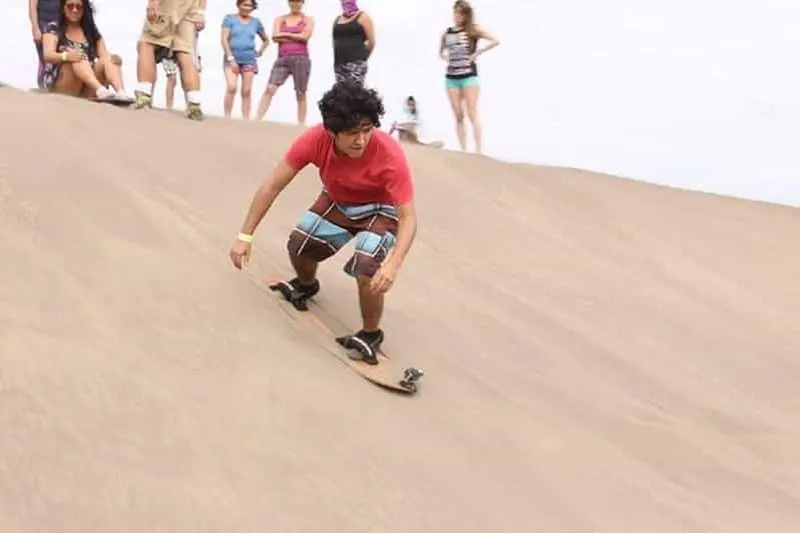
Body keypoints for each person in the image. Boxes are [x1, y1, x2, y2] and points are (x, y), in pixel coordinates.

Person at [229, 81, 418, 364]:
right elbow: (272, 185)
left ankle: (370, 333)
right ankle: (307, 285)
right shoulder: (315, 140)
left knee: (368, 267)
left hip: (380, 210)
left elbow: (409, 218)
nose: (361, 140)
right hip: (338, 200)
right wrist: (245, 237)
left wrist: (393, 264)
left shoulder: (389, 154)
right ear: (331, 132)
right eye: (352, 133)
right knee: (298, 244)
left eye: (367, 130)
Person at [439, 0, 499, 154]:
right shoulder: (448, 32)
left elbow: (495, 40)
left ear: (466, 16)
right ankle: (463, 150)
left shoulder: (472, 30)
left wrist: (478, 52)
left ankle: (478, 150)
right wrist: (446, 57)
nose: (457, 16)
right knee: (458, 114)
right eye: (456, 12)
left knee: (472, 112)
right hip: (452, 76)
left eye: (461, 14)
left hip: (469, 76)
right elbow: (441, 52)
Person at [39, 0, 127, 100]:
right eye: (70, 6)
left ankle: (120, 92)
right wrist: (66, 56)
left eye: (79, 7)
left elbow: (104, 56)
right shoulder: (54, 28)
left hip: (87, 86)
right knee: (78, 57)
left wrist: (115, 59)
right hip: (64, 84)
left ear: (84, 9)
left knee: (108, 59)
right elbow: (48, 55)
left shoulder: (90, 31)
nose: (75, 10)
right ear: (63, 8)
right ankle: (100, 89)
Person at [133, 0, 205, 120]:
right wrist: (200, 12)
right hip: (190, 8)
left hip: (167, 6)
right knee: (184, 52)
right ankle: (194, 104)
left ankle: (143, 97)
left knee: (147, 44)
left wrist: (153, 2)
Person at [255, 0, 314, 124]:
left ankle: (301, 124)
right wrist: (295, 34)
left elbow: (305, 37)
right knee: (270, 88)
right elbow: (275, 36)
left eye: (298, 2)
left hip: (301, 59)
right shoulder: (280, 19)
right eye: (293, 2)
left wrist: (285, 35)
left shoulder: (307, 20)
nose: (296, 4)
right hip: (282, 59)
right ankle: (257, 119)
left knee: (300, 92)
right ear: (289, 3)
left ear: (302, 3)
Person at [221, 0, 269, 119]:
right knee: (232, 87)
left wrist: (260, 51)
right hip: (232, 58)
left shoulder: (256, 22)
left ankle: (246, 119)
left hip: (249, 59)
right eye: (244, 5)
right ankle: (227, 116)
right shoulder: (229, 19)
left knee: (246, 91)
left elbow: (266, 40)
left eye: (250, 6)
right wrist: (231, 58)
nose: (247, 8)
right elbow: (224, 39)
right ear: (239, 5)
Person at [332, 0, 374, 86]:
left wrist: (362, 57)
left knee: (355, 92)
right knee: (341, 94)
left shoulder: (363, 17)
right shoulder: (337, 19)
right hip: (339, 64)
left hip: (356, 63)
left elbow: (371, 42)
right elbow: (334, 41)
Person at [29, 0, 60, 88]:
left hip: (59, 25)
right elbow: (32, 7)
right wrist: (35, 28)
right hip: (43, 25)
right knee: (45, 60)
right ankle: (43, 85)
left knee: (56, 60)